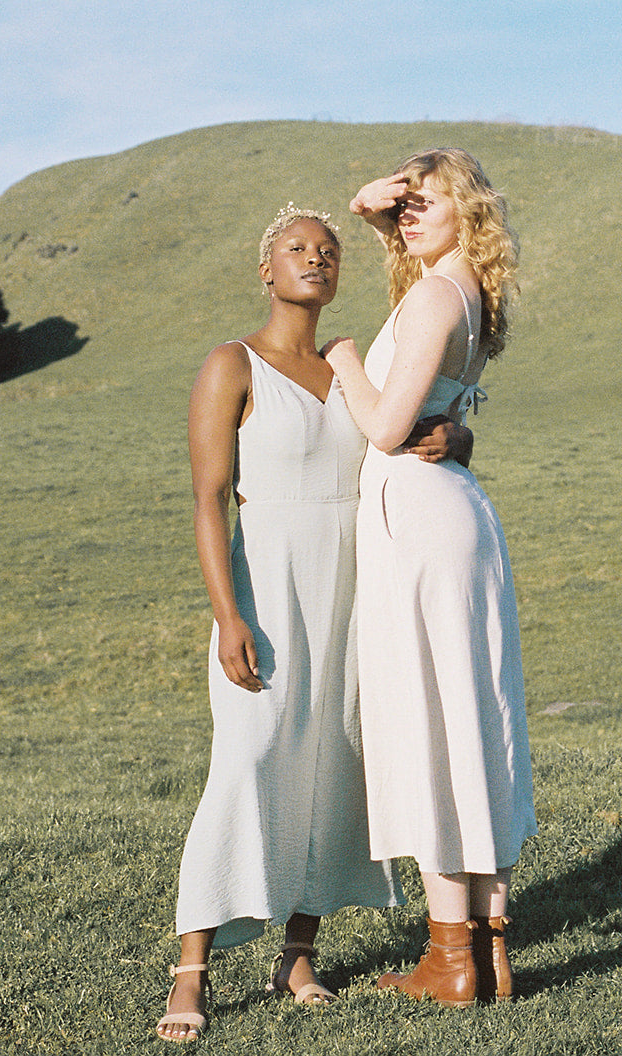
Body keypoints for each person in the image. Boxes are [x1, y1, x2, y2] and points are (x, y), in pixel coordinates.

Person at [157, 204, 472, 1043]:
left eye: (328, 252)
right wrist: (227, 616)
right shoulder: (233, 365)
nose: (314, 259)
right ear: (267, 269)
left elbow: (403, 428)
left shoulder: (350, 367)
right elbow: (206, 502)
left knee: (338, 759)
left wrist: (457, 433)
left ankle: (298, 953)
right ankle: (192, 971)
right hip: (266, 588)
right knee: (250, 758)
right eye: (297, 249)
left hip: (353, 586)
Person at [322, 148, 537, 1007]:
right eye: (403, 205)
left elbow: (384, 426)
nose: (408, 216)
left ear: (469, 212)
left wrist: (341, 357)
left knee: (428, 723)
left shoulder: (434, 298)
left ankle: (451, 962)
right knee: (470, 718)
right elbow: (413, 248)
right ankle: (485, 951)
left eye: (427, 202)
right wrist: (378, 204)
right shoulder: (466, 290)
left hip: (416, 516)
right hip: (451, 512)